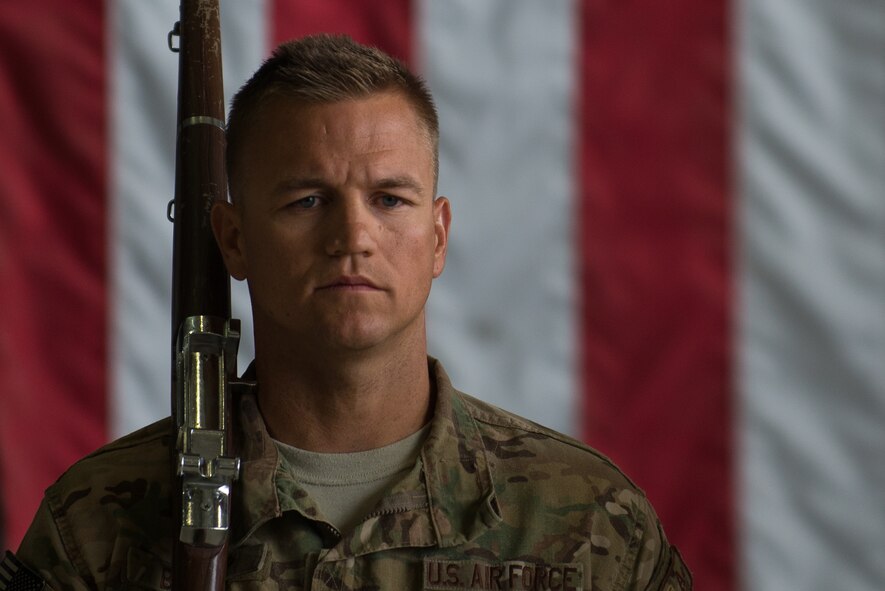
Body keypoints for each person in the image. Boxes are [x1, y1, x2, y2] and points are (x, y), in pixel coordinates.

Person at [10, 35, 691, 590]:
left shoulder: (591, 525)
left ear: (437, 237)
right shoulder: (100, 529)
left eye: (390, 199)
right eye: (307, 200)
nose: (353, 236)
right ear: (234, 239)